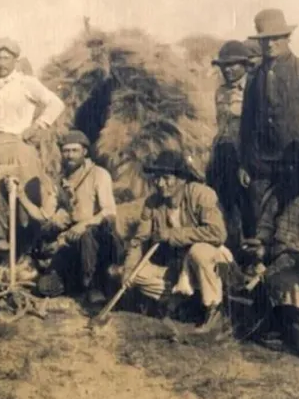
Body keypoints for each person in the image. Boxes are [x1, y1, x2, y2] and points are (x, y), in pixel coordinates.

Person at [0, 37, 64, 262]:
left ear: (14, 59)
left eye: (5, 58)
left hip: (20, 147)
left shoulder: (25, 83)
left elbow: (55, 103)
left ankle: (28, 254)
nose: (1, 63)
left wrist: (37, 126)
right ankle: (3, 250)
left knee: (24, 199)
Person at [239, 9, 299, 231]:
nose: (269, 44)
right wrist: (244, 163)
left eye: (275, 38)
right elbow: (246, 124)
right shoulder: (254, 79)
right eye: (264, 40)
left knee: (298, 221)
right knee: (262, 222)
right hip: (263, 165)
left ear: (287, 38)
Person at [120, 150, 232, 333]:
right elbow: (138, 240)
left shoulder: (202, 194)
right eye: (156, 178)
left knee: (199, 251)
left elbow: (218, 233)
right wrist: (128, 270)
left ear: (181, 179)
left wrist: (172, 235)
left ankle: (214, 309)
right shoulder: (153, 203)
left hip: (210, 262)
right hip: (178, 268)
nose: (160, 184)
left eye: (166, 178)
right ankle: (184, 302)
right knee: (138, 274)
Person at [243, 145, 299, 347]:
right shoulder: (277, 195)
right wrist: (260, 245)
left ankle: (297, 328)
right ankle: (280, 325)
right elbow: (265, 227)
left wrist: (284, 249)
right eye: (284, 166)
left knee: (290, 285)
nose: (288, 171)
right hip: (278, 258)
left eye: (293, 167)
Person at [34, 130, 123, 304]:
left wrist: (83, 225)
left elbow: (109, 211)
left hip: (98, 239)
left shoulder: (99, 174)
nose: (70, 156)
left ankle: (94, 286)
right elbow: (47, 215)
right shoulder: (61, 180)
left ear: (84, 152)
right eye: (66, 151)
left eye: (75, 150)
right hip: (72, 238)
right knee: (45, 287)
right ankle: (75, 283)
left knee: (88, 235)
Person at [207, 40, 254, 250]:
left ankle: (252, 254)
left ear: (245, 65)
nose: (227, 69)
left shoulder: (253, 89)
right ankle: (230, 249)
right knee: (224, 203)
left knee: (248, 206)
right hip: (223, 154)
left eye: (233, 64)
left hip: (245, 154)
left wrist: (248, 162)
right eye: (224, 65)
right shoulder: (220, 92)